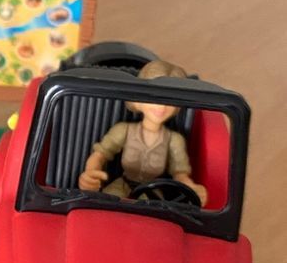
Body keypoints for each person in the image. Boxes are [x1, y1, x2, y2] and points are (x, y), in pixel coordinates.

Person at [77, 59, 208, 206]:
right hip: (122, 185)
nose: (161, 107)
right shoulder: (124, 130)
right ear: (137, 100)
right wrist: (90, 174)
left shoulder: (174, 140)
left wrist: (192, 188)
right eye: (153, 97)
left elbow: (180, 174)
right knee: (102, 205)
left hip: (152, 192)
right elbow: (100, 155)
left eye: (170, 100)